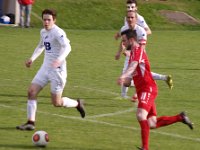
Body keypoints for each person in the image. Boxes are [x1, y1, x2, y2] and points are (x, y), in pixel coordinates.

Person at [117, 29, 193, 150]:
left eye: (124, 41)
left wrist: (123, 75)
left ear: (131, 40)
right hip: (143, 91)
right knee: (151, 123)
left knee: (141, 115)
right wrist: (124, 82)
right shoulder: (131, 54)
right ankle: (180, 117)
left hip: (148, 89)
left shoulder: (139, 51)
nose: (123, 43)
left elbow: (132, 67)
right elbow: (131, 78)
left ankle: (145, 148)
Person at [16, 9, 85, 131]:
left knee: (56, 103)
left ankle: (77, 104)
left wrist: (59, 59)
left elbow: (68, 47)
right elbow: (41, 45)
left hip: (57, 71)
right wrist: (32, 59)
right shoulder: (43, 32)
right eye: (44, 19)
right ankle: (30, 123)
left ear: (54, 20)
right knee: (31, 92)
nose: (46, 22)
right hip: (45, 68)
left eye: (49, 20)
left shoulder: (58, 32)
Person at [116, 8, 173, 100]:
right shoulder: (124, 29)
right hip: (131, 55)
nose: (130, 19)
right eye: (128, 17)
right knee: (133, 77)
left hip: (138, 56)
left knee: (134, 75)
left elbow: (141, 48)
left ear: (136, 19)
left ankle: (135, 92)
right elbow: (123, 41)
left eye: (132, 17)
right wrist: (119, 52)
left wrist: (134, 55)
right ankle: (161, 78)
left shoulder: (141, 31)